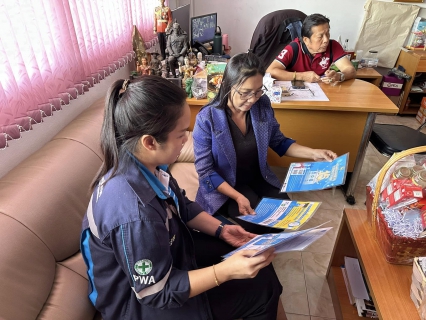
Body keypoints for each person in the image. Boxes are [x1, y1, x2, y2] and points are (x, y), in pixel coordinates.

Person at [80, 75, 286, 320]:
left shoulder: (148, 166)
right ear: (150, 142)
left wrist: (223, 229)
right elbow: (156, 292)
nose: (187, 139)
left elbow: (183, 206)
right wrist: (224, 272)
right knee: (261, 290)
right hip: (139, 305)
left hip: (168, 253)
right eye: (180, 134)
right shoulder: (134, 214)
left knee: (255, 257)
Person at [193, 52, 337, 233]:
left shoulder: (262, 105)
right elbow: (205, 172)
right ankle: (225, 210)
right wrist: (237, 197)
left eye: (258, 91)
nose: (252, 99)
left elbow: (279, 141)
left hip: (257, 177)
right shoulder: (207, 119)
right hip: (226, 187)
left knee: (286, 217)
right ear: (228, 86)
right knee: (262, 225)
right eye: (245, 93)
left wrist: (314, 153)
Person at [266, 13, 356, 84]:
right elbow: (271, 71)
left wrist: (339, 76)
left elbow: (350, 70)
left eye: (327, 34)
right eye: (320, 36)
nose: (326, 40)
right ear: (306, 40)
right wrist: (302, 76)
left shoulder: (333, 46)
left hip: (322, 94)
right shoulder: (294, 48)